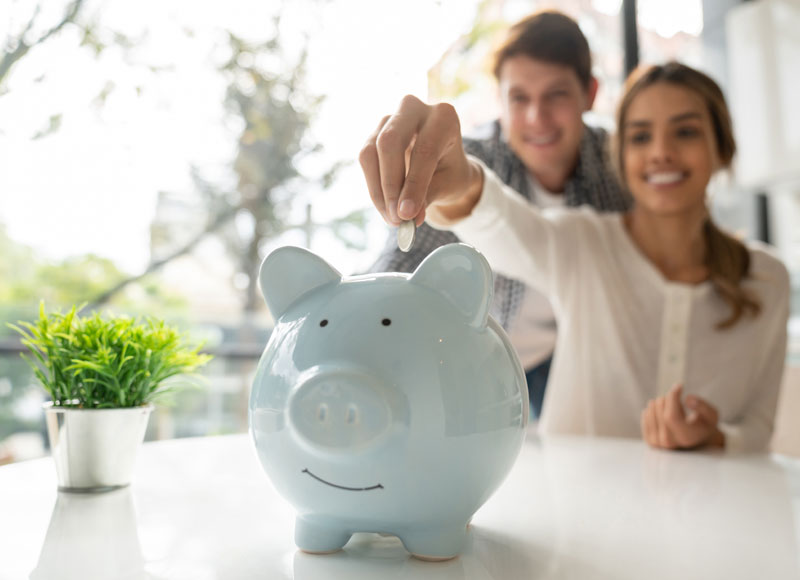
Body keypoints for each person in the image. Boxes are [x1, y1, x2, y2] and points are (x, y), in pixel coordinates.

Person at [359, 61, 789, 453]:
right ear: (620, 158)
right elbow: (500, 221)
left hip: (708, 520)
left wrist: (714, 438)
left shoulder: (768, 278)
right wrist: (458, 180)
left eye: (686, 131)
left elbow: (758, 430)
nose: (661, 151)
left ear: (724, 147)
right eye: (640, 136)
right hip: (575, 522)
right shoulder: (583, 243)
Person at [364, 10, 630, 419]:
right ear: (499, 99)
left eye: (555, 95)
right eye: (519, 97)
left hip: (581, 363)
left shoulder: (620, 166)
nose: (535, 118)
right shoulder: (467, 162)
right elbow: (405, 264)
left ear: (590, 93)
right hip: (484, 369)